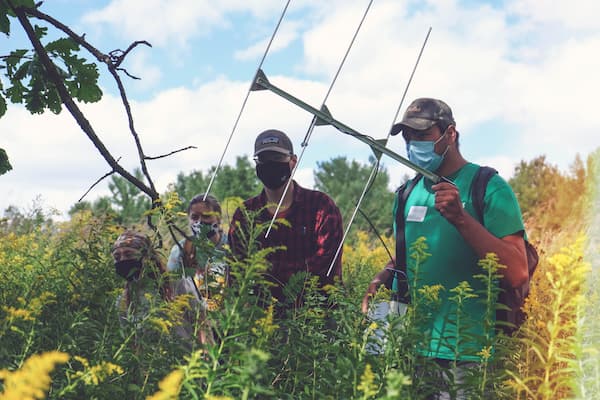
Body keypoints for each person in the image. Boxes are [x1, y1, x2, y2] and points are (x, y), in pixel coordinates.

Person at [361, 98, 528, 397]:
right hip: (410, 349)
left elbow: (517, 273)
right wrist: (380, 280)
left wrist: (461, 218)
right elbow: (406, 256)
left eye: (422, 136)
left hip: (469, 354)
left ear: (449, 134)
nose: (413, 144)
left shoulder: (488, 186)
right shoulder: (406, 193)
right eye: (408, 137)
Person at [228, 129, 344, 309]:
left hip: (315, 319)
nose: (271, 165)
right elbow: (236, 271)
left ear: (293, 161)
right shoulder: (245, 213)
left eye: (277, 158)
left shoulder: (321, 206)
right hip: (259, 318)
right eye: (264, 160)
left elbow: (325, 266)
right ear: (257, 164)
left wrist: (269, 272)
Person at [167, 193, 228, 313]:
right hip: (196, 318)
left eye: (206, 216)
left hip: (231, 317)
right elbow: (171, 288)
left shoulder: (233, 245)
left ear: (218, 218)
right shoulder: (181, 250)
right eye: (194, 217)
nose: (200, 222)